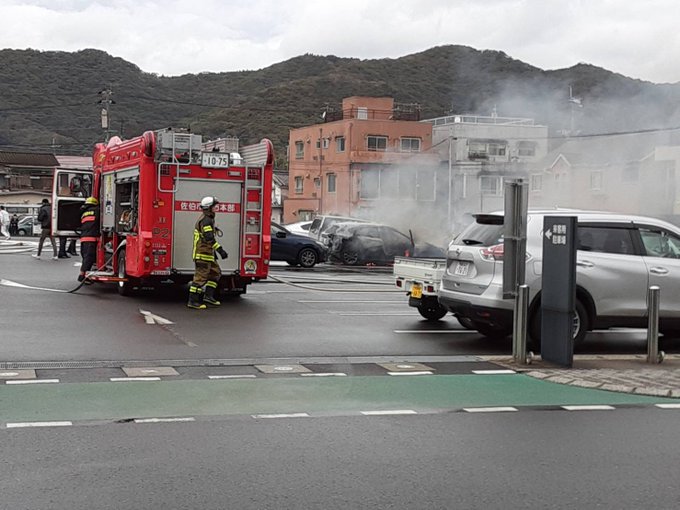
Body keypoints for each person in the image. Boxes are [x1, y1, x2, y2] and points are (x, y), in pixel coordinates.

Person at [187, 196, 228, 309]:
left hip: (208, 254)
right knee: (200, 278)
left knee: (215, 273)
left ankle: (208, 297)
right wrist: (220, 250)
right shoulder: (206, 220)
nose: (216, 208)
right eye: (214, 206)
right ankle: (193, 301)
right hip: (202, 254)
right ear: (208, 208)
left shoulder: (208, 219)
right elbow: (209, 238)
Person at [77, 197, 100, 282]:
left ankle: (85, 274)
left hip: (84, 238)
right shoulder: (97, 211)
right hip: (92, 238)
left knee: (85, 257)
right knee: (89, 257)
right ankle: (82, 275)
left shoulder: (84, 213)